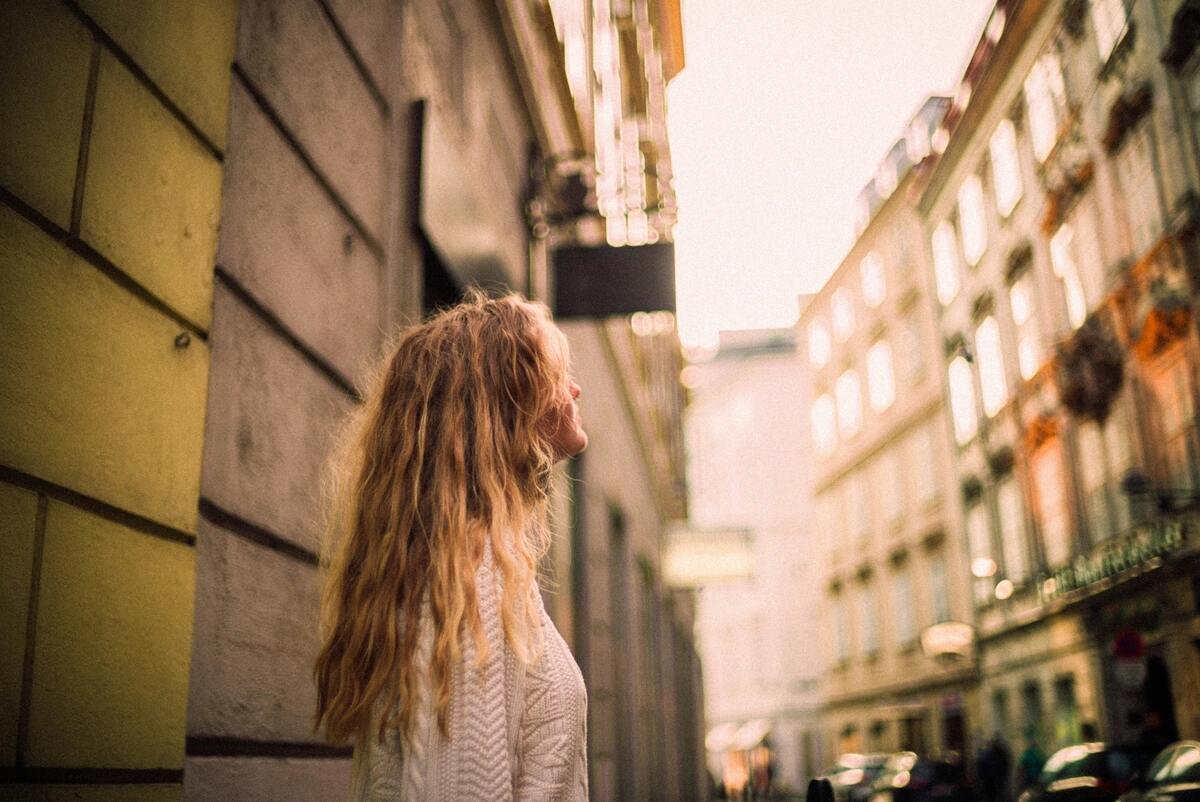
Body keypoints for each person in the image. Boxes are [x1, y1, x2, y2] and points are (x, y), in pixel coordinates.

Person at [312, 293, 590, 801]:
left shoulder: (472, 564)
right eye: (556, 375)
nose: (574, 389)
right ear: (508, 404)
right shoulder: (471, 574)